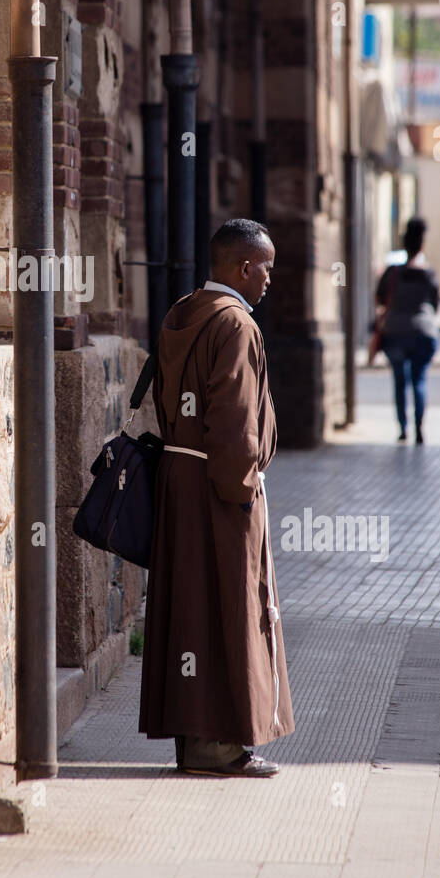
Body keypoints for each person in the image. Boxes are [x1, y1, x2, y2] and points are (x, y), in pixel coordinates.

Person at [138, 218, 294, 778]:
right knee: (228, 608)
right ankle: (222, 747)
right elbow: (233, 419)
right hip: (219, 486)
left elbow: (167, 400)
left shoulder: (182, 311)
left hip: (180, 479)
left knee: (189, 610)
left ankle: (195, 743)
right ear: (243, 267)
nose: (270, 279)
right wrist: (242, 490)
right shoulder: (236, 326)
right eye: (266, 268)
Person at [374, 217, 440, 445]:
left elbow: (380, 298)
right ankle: (420, 427)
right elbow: (435, 304)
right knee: (419, 379)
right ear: (422, 245)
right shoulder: (429, 274)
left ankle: (403, 428)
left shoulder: (393, 273)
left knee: (400, 381)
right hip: (423, 332)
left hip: (395, 332)